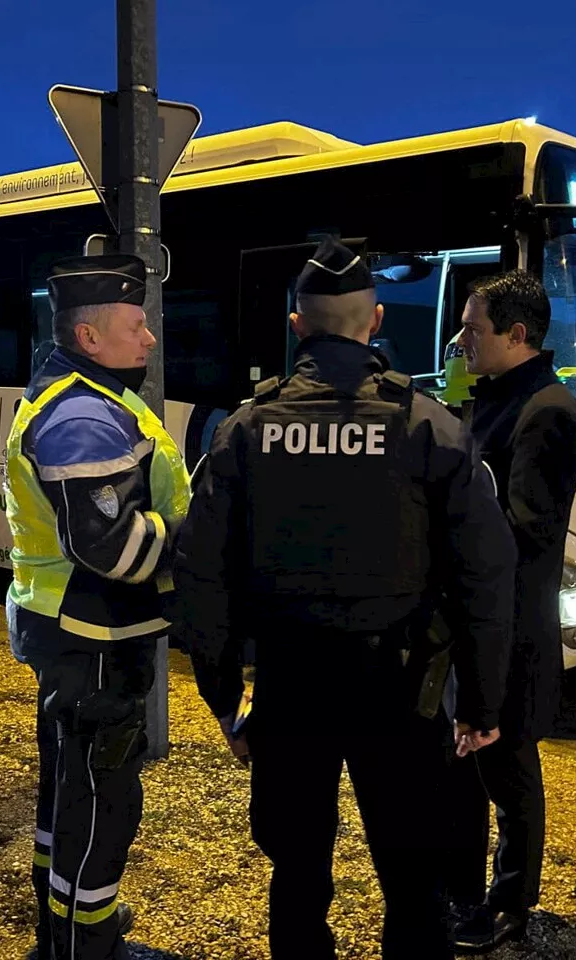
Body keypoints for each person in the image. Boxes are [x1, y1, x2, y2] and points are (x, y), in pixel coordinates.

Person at [169, 237, 517, 960]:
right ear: (376, 321)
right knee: (412, 877)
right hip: (400, 694)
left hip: (292, 691)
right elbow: (488, 573)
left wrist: (224, 698)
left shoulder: (245, 430)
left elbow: (202, 574)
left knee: (297, 874)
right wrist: (482, 703)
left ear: (298, 326)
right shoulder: (429, 426)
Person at [3, 253, 192, 960]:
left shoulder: (88, 394)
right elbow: (112, 548)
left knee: (67, 792)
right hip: (95, 636)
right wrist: (197, 540)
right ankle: (89, 948)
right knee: (102, 802)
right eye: (136, 325)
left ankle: (60, 933)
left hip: (76, 631)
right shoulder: (82, 414)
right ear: (89, 338)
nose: (149, 340)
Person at [444, 270, 576, 952]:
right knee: (461, 764)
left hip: (512, 631)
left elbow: (528, 528)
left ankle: (511, 905)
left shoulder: (548, 410)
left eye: (473, 328)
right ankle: (462, 893)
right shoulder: (490, 396)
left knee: (507, 770)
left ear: (517, 335)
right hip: (471, 623)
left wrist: (449, 519)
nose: (460, 338)